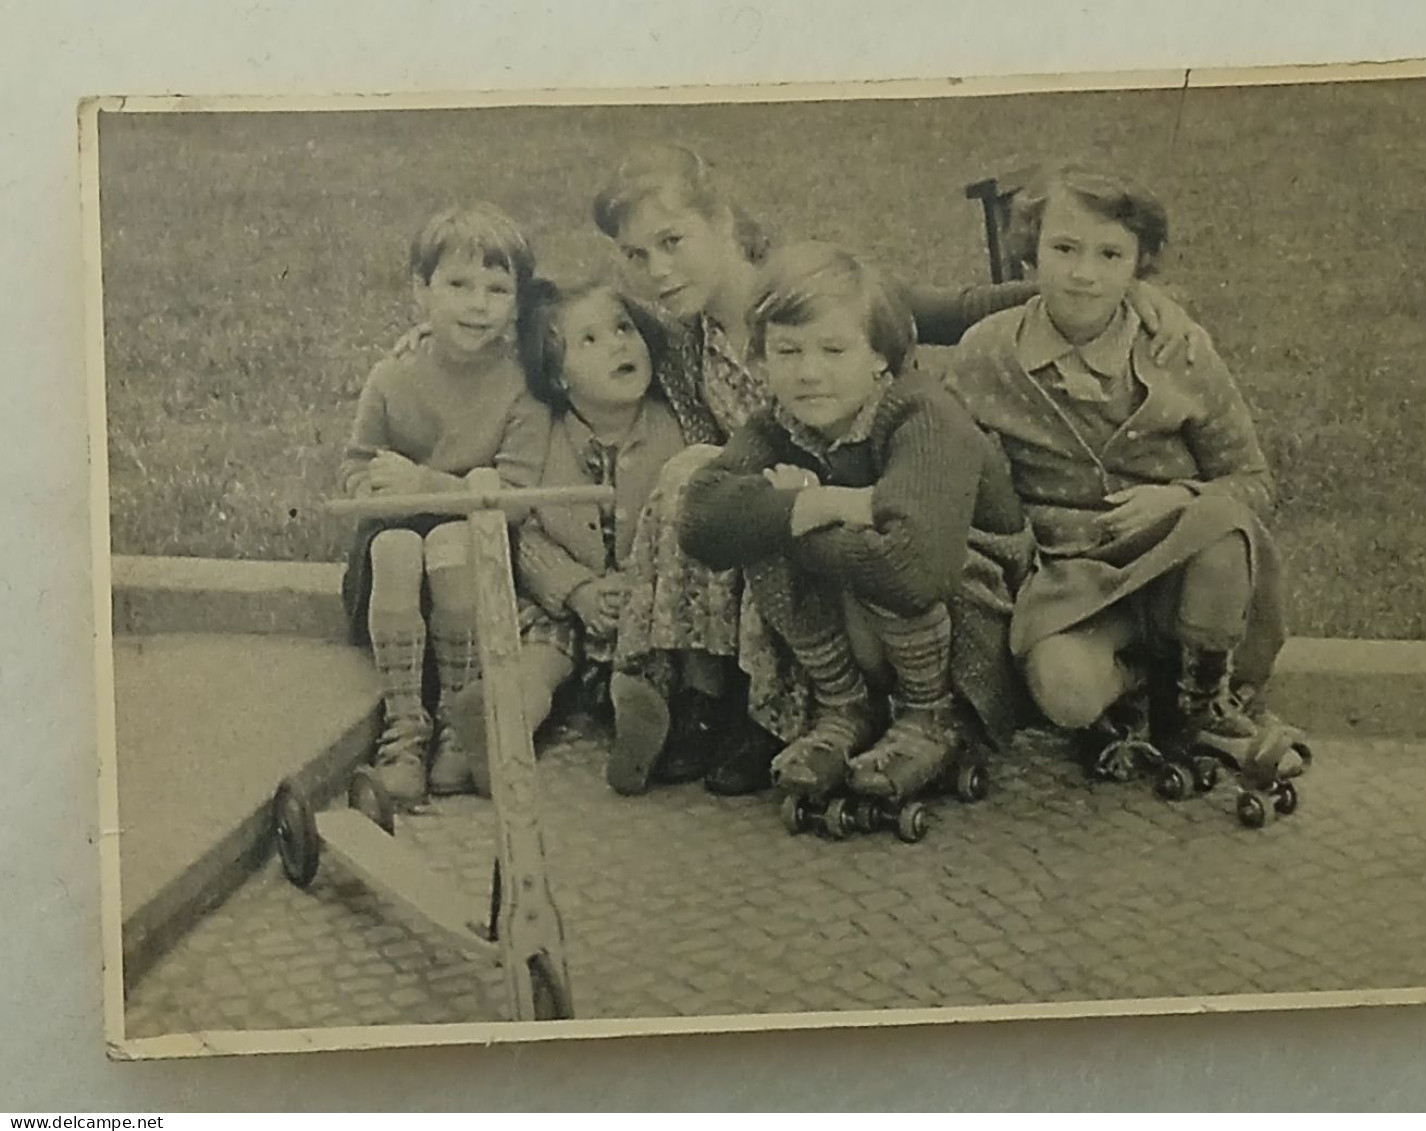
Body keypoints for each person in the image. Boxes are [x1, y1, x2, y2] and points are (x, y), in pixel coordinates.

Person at [590, 143, 1211, 796]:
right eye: (636, 255)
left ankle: (781, 710)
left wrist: (1121, 291)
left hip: (891, 511)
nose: (657, 270)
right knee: (699, 477)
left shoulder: (834, 294)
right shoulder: (680, 339)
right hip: (791, 518)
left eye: (671, 242)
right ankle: (701, 694)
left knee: (712, 480)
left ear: (721, 222)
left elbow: (966, 306)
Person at [946, 163, 1302, 778]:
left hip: (1178, 564)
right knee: (1064, 693)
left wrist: (1181, 499)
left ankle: (1203, 706)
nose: (1084, 274)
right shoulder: (988, 354)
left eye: (1110, 254)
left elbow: (1253, 483)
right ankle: (1145, 688)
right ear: (1030, 249)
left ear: (1140, 265)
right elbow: (953, 470)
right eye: (1064, 249)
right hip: (1071, 581)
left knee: (1218, 521)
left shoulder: (1177, 350)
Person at [678, 242, 1032, 805]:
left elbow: (913, 571)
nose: (809, 372)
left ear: (879, 357)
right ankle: (844, 707)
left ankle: (929, 718)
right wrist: (825, 505)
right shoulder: (781, 422)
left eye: (834, 350)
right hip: (869, 611)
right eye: (787, 351)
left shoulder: (921, 413)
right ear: (762, 360)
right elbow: (699, 519)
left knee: (792, 524)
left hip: (970, 617)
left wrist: (797, 518)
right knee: (768, 522)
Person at [337, 203, 545, 806]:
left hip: (471, 565)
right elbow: (356, 465)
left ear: (516, 302)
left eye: (497, 289)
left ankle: (459, 721)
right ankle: (405, 732)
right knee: (401, 546)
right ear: (421, 292)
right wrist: (374, 491)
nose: (477, 304)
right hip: (391, 571)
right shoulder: (393, 376)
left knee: (454, 539)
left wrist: (426, 486)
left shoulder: (520, 387)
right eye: (458, 285)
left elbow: (512, 497)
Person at [450, 281, 686, 796]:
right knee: (539, 658)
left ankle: (638, 730)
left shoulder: (672, 429)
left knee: (651, 657)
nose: (619, 345)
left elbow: (683, 523)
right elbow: (529, 535)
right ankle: (502, 729)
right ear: (560, 377)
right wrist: (575, 589)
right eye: (591, 340)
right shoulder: (547, 438)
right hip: (564, 606)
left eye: (624, 329)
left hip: (642, 600)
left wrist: (636, 586)